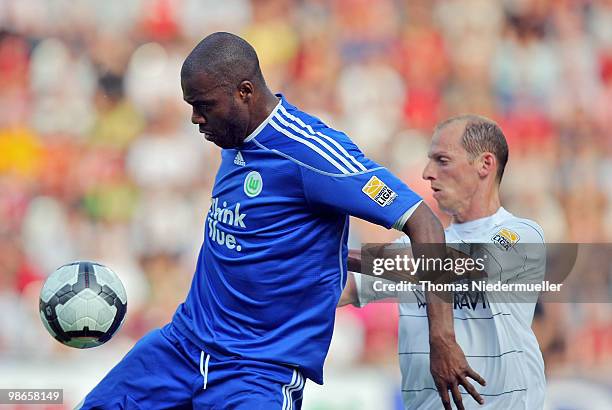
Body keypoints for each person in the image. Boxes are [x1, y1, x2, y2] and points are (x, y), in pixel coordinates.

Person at [79, 32, 482, 409]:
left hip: (257, 373)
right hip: (182, 346)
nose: (196, 120)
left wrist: (442, 337)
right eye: (191, 107)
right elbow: (273, 237)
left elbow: (422, 221)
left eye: (203, 107)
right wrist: (342, 259)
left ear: (245, 92)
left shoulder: (311, 153)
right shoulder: (233, 136)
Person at [341, 115, 547, 409]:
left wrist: (343, 254)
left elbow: (464, 265)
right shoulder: (411, 248)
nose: (427, 173)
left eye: (442, 160)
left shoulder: (521, 235)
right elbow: (340, 289)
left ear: (485, 165)